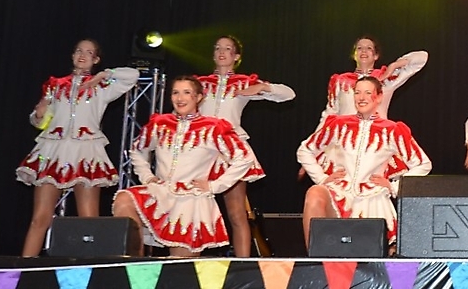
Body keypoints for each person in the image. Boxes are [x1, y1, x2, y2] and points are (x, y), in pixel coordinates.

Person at [16, 39, 139, 257]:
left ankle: (90, 270)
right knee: (40, 218)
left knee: (88, 221)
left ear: (96, 59)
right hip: (54, 152)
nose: (82, 55)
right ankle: (23, 269)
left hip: (86, 153)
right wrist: (39, 114)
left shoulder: (103, 87)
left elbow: (132, 75)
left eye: (89, 52)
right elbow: (41, 122)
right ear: (72, 55)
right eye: (78, 51)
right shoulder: (55, 85)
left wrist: (103, 75)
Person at [113, 76, 255, 257]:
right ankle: (133, 266)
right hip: (161, 193)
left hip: (189, 201)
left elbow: (244, 158)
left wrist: (214, 186)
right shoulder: (160, 123)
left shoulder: (213, 127)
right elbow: (137, 150)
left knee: (179, 265)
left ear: (198, 97)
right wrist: (147, 177)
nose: (180, 98)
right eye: (175, 93)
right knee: (124, 200)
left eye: (187, 93)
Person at [298, 75, 431, 250]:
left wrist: (393, 186)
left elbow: (423, 164)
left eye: (368, 93)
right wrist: (321, 178)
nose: (361, 97)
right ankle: (315, 258)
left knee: (368, 255)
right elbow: (305, 150)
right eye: (357, 92)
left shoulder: (392, 130)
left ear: (379, 97)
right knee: (314, 193)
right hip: (339, 193)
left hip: (372, 200)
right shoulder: (338, 125)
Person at [197, 35, 296, 257]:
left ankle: (243, 265)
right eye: (218, 48)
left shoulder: (242, 83)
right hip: (200, 149)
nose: (222, 52)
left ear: (236, 56)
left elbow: (289, 94)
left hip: (230, 151)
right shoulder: (200, 84)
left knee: (236, 213)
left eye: (227, 49)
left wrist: (262, 87)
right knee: (193, 210)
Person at [322, 36, 427, 121]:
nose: (364, 51)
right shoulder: (341, 81)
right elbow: (330, 113)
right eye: (359, 48)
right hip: (346, 137)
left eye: (369, 48)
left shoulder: (386, 78)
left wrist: (394, 65)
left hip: (377, 136)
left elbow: (422, 57)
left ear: (376, 56)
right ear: (354, 55)